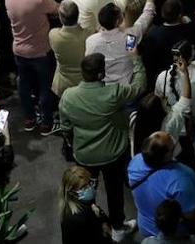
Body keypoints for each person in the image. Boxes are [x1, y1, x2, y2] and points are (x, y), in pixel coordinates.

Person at [59, 53, 148, 238]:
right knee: (115, 192)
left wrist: (71, 141)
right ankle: (118, 227)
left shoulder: (68, 96)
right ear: (101, 74)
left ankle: (89, 222)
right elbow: (139, 86)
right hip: (112, 154)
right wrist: (136, 59)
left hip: (84, 155)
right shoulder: (113, 93)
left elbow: (66, 126)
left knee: (84, 190)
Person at [5, 0, 60, 132]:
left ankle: (29, 119)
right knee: (45, 87)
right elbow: (57, 9)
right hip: (40, 52)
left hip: (19, 50)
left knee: (24, 86)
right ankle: (46, 123)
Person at [129, 131, 195, 240]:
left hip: (147, 227)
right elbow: (191, 216)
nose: (171, 136)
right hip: (173, 235)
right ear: (167, 156)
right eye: (171, 141)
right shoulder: (178, 182)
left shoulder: (135, 162)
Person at [60, 165, 115, 244]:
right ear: (72, 192)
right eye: (83, 187)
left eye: (90, 182)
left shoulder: (84, 202)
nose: (90, 188)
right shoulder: (75, 219)